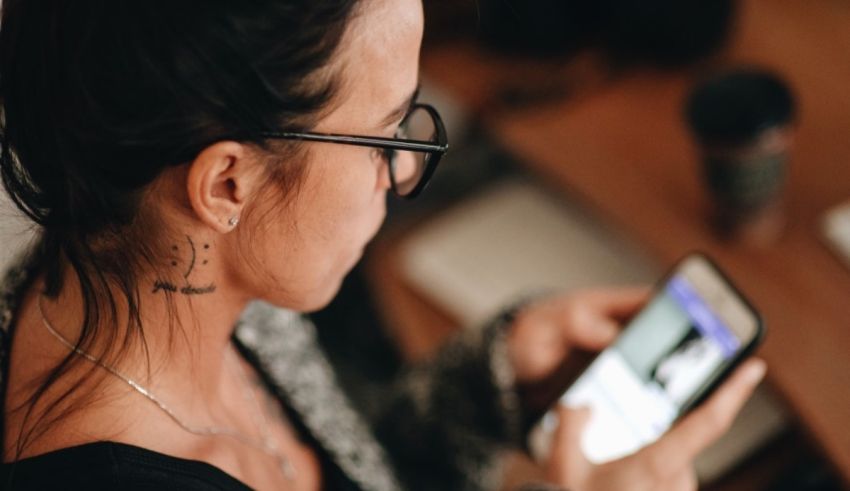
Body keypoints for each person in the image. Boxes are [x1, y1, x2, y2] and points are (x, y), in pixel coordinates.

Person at [0, 0, 765, 489]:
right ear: (228, 183)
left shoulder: (163, 267)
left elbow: (360, 467)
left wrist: (483, 388)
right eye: (387, 131)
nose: (402, 171)